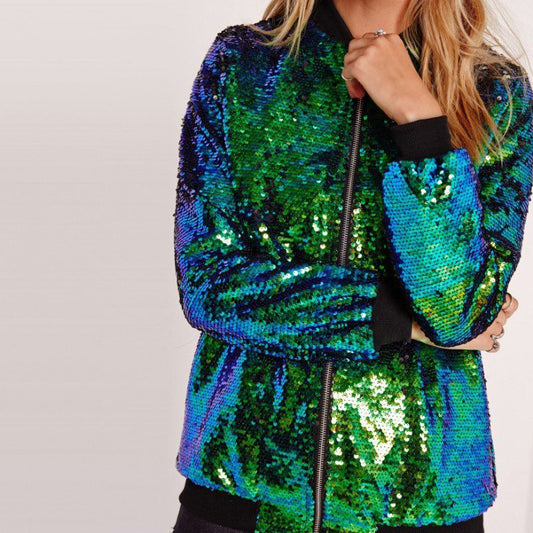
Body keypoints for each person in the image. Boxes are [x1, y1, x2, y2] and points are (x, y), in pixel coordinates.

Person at [171, 0, 533, 531]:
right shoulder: (242, 63)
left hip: (422, 499)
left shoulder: (495, 91)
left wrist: (421, 124)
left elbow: (457, 314)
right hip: (240, 492)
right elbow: (208, 283)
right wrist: (390, 319)